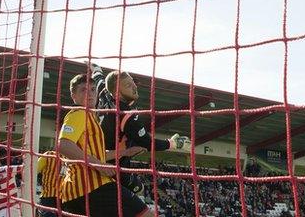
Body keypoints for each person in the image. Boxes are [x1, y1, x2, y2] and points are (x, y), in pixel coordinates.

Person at [57, 69, 154, 217]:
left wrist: (125, 152)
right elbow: (63, 145)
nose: (90, 93)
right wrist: (98, 164)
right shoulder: (78, 113)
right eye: (83, 90)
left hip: (77, 191)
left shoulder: (91, 118)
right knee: (146, 214)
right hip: (91, 185)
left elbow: (97, 154)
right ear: (73, 95)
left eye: (93, 89)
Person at [95, 68, 191, 193]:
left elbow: (98, 79)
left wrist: (95, 68)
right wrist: (173, 143)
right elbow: (147, 142)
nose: (134, 87)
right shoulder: (126, 116)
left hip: (100, 153)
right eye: (128, 85)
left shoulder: (104, 92)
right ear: (117, 93)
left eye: (133, 82)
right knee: (138, 189)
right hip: (112, 167)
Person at [36, 151, 62, 217]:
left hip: (48, 197)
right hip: (65, 199)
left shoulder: (48, 155)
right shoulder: (70, 158)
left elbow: (34, 170)